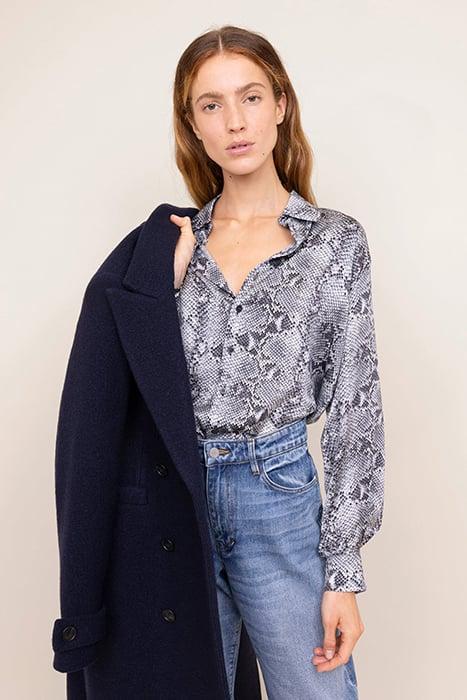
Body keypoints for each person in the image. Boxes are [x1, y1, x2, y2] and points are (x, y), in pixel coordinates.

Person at [168, 25, 385, 700]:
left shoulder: (333, 243)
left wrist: (342, 574)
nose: (234, 122)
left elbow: (354, 409)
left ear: (281, 104)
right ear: (193, 125)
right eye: (211, 105)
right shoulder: (172, 247)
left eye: (251, 97)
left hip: (278, 493)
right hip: (178, 499)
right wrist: (161, 286)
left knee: (313, 690)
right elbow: (124, 383)